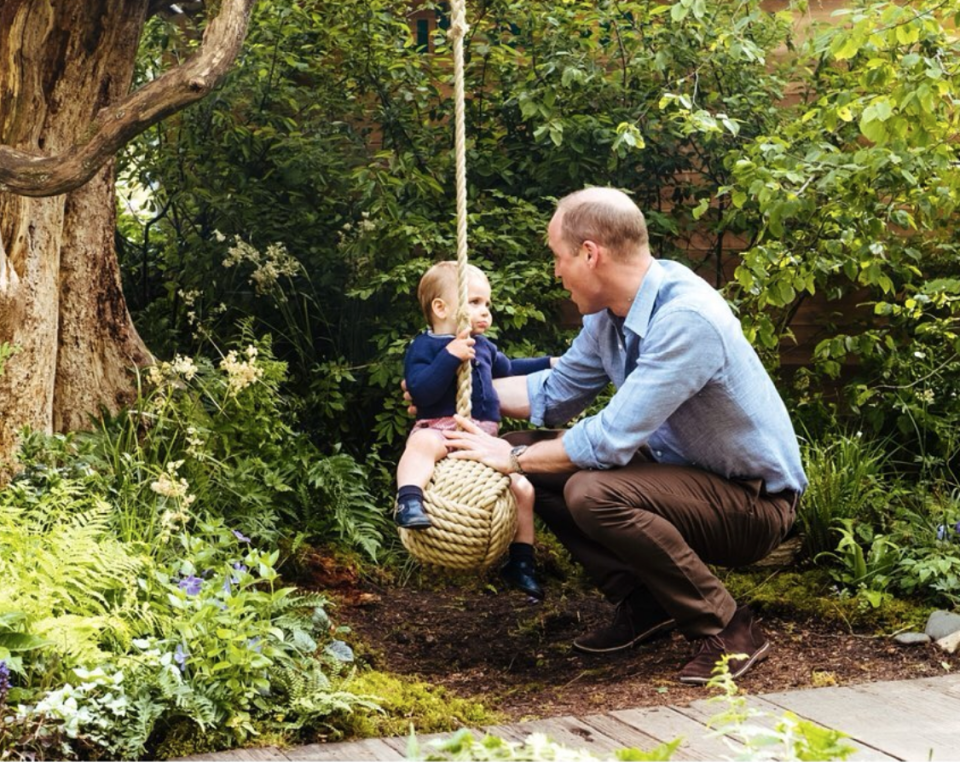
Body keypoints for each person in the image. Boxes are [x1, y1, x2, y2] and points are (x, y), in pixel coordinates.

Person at [439, 187, 808, 685]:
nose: (556, 271)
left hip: (753, 505)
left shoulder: (687, 319)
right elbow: (557, 390)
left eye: (558, 257)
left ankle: (730, 630)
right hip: (684, 481)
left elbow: (610, 439)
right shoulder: (609, 316)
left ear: (590, 254)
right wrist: (446, 390)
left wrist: (515, 459)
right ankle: (645, 602)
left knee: (589, 490)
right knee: (535, 451)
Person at [396, 260, 554, 600]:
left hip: (482, 439)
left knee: (522, 489)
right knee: (421, 442)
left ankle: (521, 562)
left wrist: (550, 362)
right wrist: (450, 356)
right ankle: (408, 500)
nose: (486, 312)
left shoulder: (483, 346)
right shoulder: (424, 347)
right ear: (441, 308)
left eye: (487, 304)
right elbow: (421, 391)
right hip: (441, 429)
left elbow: (510, 369)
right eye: (475, 302)